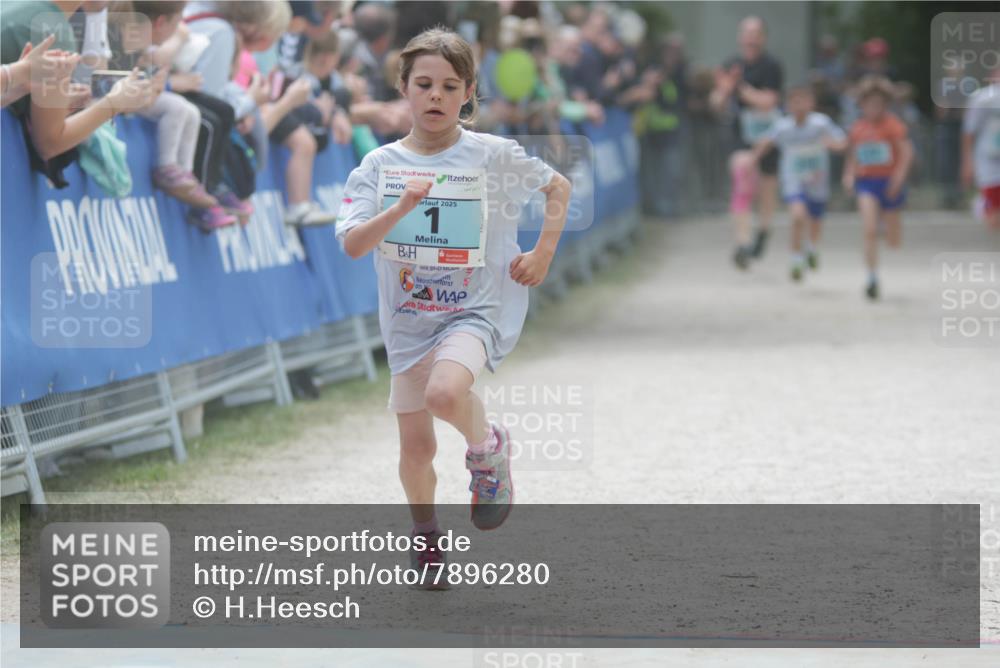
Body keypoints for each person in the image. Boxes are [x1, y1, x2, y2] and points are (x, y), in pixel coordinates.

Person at [335, 28, 571, 586]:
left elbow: (557, 188)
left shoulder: (491, 154)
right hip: (407, 317)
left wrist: (543, 253)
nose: (435, 96)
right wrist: (401, 208)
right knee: (416, 446)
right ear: (403, 88)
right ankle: (426, 542)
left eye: (448, 86)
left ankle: (488, 450)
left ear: (468, 92)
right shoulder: (378, 166)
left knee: (446, 394)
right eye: (423, 84)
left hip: (474, 308)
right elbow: (351, 244)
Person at [752, 85, 847, 282]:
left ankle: (811, 248)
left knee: (815, 220)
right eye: (795, 101)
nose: (799, 105)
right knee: (797, 216)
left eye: (803, 100)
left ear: (812, 103)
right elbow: (766, 142)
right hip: (793, 179)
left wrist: (833, 145)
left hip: (817, 180)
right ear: (788, 105)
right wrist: (752, 160)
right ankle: (796, 259)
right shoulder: (783, 126)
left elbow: (842, 142)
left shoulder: (821, 123)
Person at [711, 16, 784, 269]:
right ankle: (742, 243)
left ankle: (763, 232)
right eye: (746, 33)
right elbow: (717, 103)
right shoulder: (731, 65)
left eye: (756, 33)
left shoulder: (772, 66)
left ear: (763, 37)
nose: (751, 38)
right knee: (742, 178)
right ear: (740, 37)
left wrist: (740, 89)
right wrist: (723, 91)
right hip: (740, 135)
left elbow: (769, 102)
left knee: (767, 189)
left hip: (767, 136)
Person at [842, 75, 914, 301]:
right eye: (869, 104)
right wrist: (849, 175)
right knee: (869, 230)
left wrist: (898, 179)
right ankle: (872, 277)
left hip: (889, 181)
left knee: (893, 241)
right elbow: (853, 155)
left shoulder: (893, 126)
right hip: (867, 182)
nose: (874, 108)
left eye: (878, 104)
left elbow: (906, 154)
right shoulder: (858, 128)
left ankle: (885, 225)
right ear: (862, 105)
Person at [961, 72, 1000, 230]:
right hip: (989, 160)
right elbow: (969, 131)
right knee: (994, 210)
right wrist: (968, 162)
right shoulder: (983, 98)